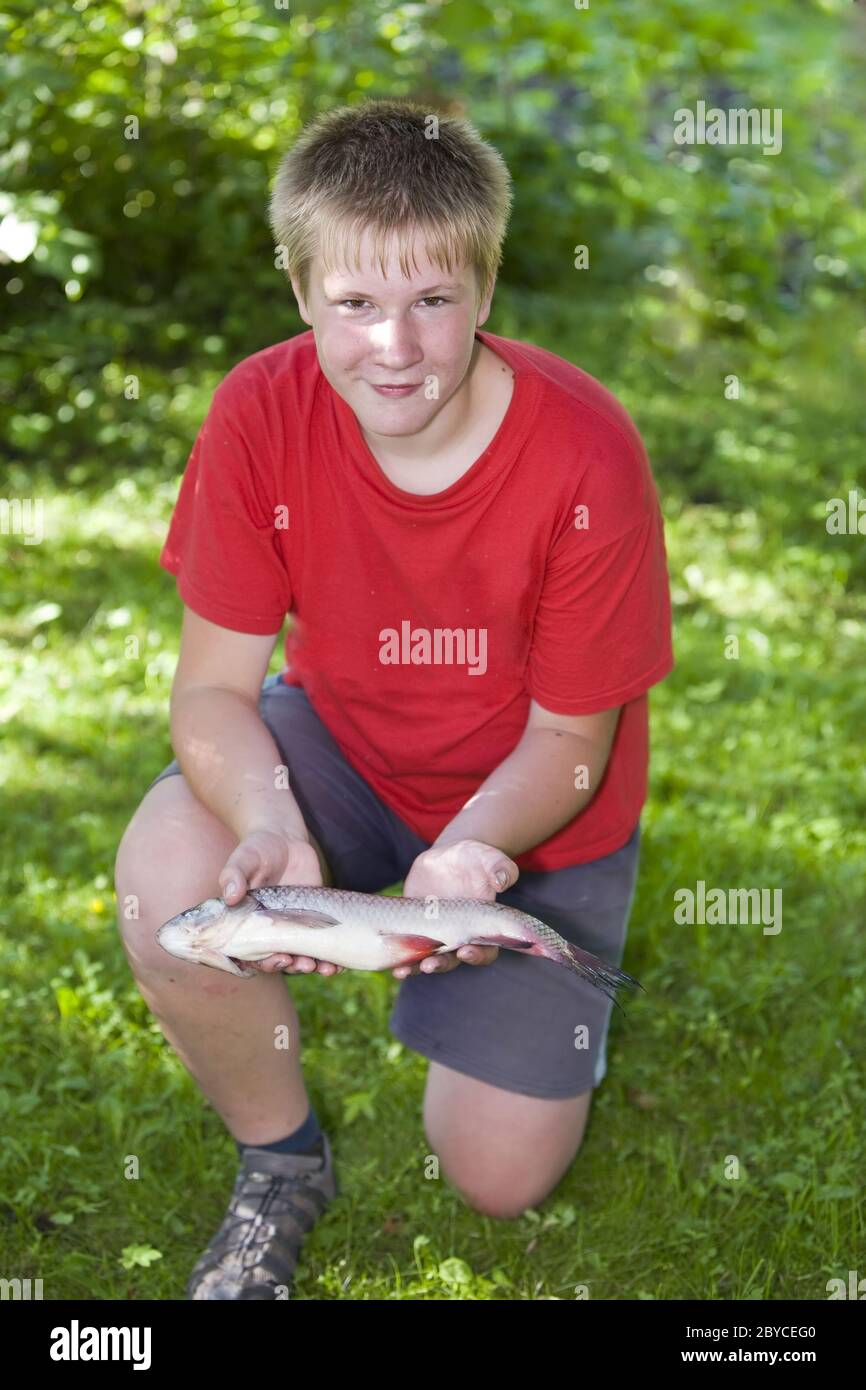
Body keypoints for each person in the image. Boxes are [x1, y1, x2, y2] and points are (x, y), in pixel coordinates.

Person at [114, 98, 674, 1301]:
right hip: (348, 741)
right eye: (355, 303)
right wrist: (272, 826)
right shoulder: (259, 412)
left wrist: (469, 852)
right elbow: (214, 689)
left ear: (484, 287)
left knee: (495, 1177)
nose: (394, 348)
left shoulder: (584, 454)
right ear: (302, 292)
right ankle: (280, 1162)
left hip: (534, 800)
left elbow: (573, 737)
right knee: (166, 882)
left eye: (430, 299)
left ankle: (538, 988)